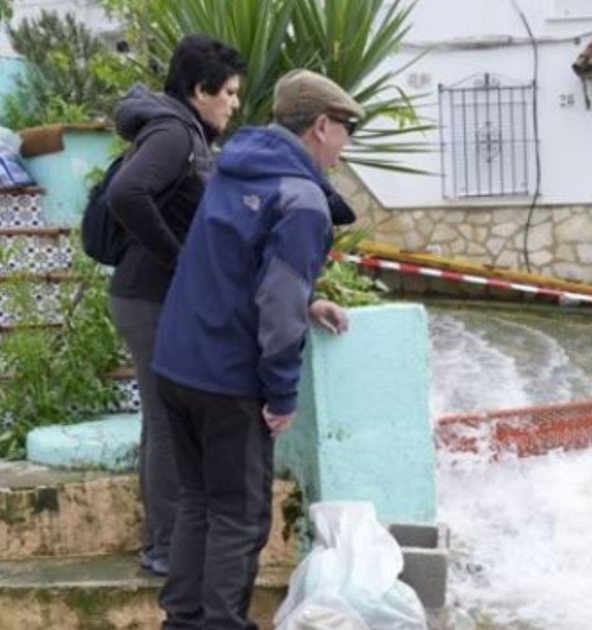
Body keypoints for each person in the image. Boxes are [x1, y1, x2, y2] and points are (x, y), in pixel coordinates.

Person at [152, 69, 362, 629]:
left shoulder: (233, 166)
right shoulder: (303, 199)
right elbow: (276, 300)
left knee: (197, 500)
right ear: (322, 125)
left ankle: (181, 620)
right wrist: (282, 393)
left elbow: (235, 263)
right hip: (228, 377)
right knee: (238, 517)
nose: (346, 143)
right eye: (348, 129)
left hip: (177, 363)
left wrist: (307, 302)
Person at [106, 34, 245, 577]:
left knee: (162, 420)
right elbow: (126, 194)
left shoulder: (183, 131)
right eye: (228, 92)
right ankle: (165, 547)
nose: (234, 103)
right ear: (200, 90)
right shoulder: (173, 133)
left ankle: (164, 541)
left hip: (149, 296)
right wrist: (179, 259)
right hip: (150, 298)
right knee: (168, 422)